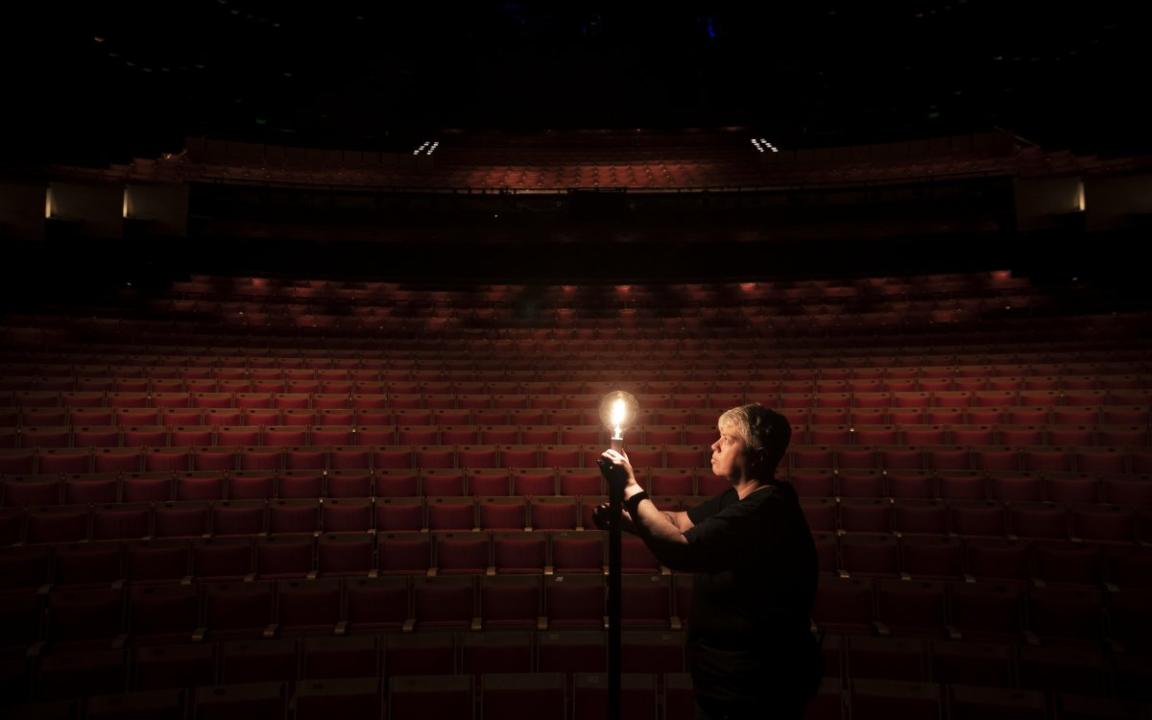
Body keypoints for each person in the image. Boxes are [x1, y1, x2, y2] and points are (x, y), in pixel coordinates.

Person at [597, 404, 821, 720]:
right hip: (724, 678)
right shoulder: (741, 497)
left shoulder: (765, 509)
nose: (713, 446)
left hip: (756, 687)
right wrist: (629, 519)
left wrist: (632, 487)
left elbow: (681, 548)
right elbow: (679, 522)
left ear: (756, 454)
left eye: (727, 439)